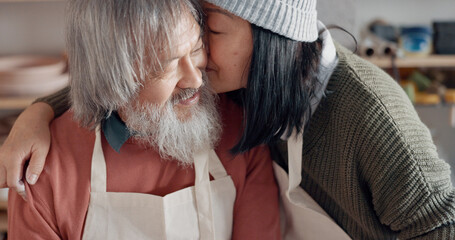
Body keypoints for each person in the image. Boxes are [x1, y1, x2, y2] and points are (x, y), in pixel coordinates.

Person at [2, 0, 455, 239]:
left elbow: (442, 224)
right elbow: (127, 80)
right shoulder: (238, 92)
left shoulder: (369, 116)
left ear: (269, 39)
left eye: (207, 36)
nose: (197, 69)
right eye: (206, 33)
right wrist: (40, 111)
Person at [5, 0, 281, 239]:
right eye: (166, 66)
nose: (195, 79)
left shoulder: (240, 133)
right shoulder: (45, 170)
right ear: (112, 78)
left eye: (196, 49)